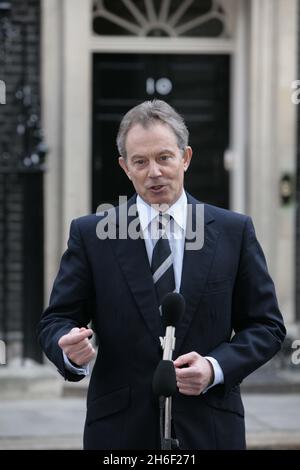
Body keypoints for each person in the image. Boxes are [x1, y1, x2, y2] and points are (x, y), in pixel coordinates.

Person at [38, 99, 286, 450]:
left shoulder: (234, 231)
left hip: (210, 430)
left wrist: (215, 367)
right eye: (140, 161)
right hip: (120, 435)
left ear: (185, 157)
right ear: (125, 167)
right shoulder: (93, 235)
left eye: (164, 157)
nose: (153, 171)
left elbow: (267, 326)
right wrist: (68, 350)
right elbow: (57, 320)